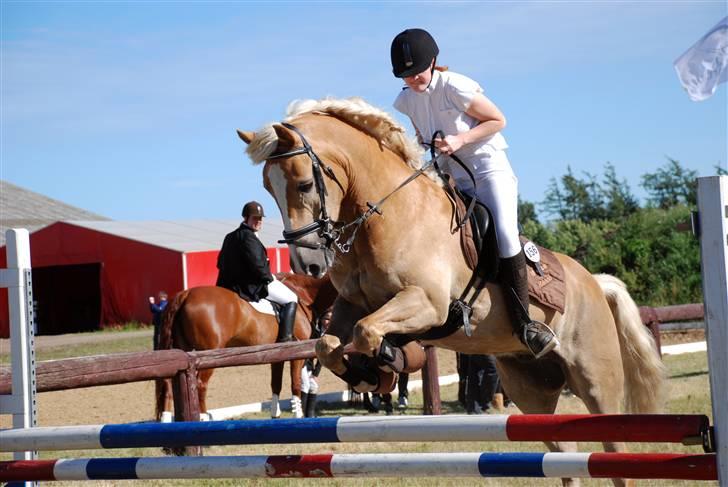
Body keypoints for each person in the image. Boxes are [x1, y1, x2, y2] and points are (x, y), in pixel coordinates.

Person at [390, 28, 558, 358]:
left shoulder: (455, 86)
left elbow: (498, 120)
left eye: (416, 72)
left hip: (488, 169)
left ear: (433, 62)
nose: (412, 79)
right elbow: (421, 137)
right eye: (405, 75)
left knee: (506, 235)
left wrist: (460, 141)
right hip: (455, 177)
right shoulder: (406, 100)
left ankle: (526, 324)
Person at [216, 201, 298, 342]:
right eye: (255, 218)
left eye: (260, 218)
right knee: (292, 298)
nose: (258, 221)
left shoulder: (230, 236)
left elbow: (220, 263)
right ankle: (286, 339)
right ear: (246, 218)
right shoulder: (248, 237)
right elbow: (258, 266)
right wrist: (269, 278)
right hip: (250, 285)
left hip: (227, 285)